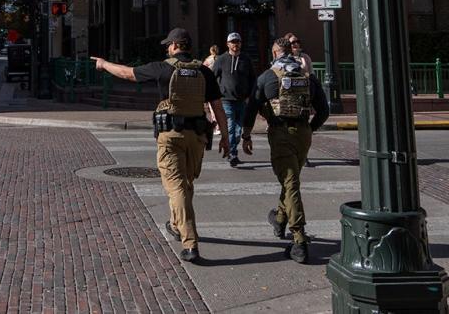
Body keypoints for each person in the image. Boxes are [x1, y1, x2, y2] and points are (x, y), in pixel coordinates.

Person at [93, 27, 228, 263]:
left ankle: (190, 243)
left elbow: (127, 73)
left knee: (176, 187)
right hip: (196, 137)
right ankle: (177, 224)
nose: (167, 48)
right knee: (186, 184)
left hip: (171, 135)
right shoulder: (204, 72)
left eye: (169, 44)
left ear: (176, 45)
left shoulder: (162, 68)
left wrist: (104, 64)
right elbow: (217, 107)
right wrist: (225, 137)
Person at [242, 36, 330, 264]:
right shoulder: (308, 78)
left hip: (280, 133)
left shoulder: (267, 76)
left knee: (291, 183)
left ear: (274, 53)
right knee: (290, 181)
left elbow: (252, 106)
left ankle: (299, 239)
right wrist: (310, 129)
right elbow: (324, 111)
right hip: (303, 134)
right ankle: (279, 218)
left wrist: (246, 134)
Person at [211, 32, 257, 167]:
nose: (235, 44)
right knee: (230, 127)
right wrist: (213, 97)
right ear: (228, 44)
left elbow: (252, 79)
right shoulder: (221, 59)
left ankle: (232, 149)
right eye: (233, 42)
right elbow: (213, 77)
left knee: (238, 130)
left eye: (238, 42)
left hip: (242, 100)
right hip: (226, 100)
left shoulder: (246, 59)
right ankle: (232, 154)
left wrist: (250, 95)